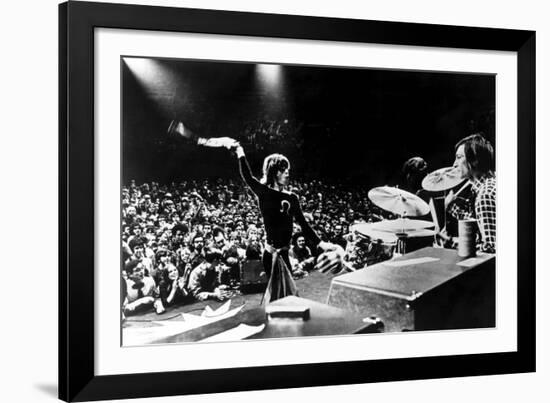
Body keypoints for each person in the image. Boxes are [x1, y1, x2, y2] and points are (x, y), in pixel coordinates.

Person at [226, 139, 346, 302]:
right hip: (270, 255)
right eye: (284, 170)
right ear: (275, 172)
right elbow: (247, 176)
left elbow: (304, 224)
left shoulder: (292, 198)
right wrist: (240, 151)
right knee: (277, 297)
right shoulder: (263, 192)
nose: (288, 173)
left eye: (287, 170)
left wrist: (321, 243)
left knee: (289, 296)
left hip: (284, 253)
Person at [446, 134, 496, 253]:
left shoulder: (485, 195)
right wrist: (453, 208)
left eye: (459, 157)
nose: (454, 164)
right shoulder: (489, 184)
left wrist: (459, 247)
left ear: (474, 160)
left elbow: (491, 248)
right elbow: (480, 222)